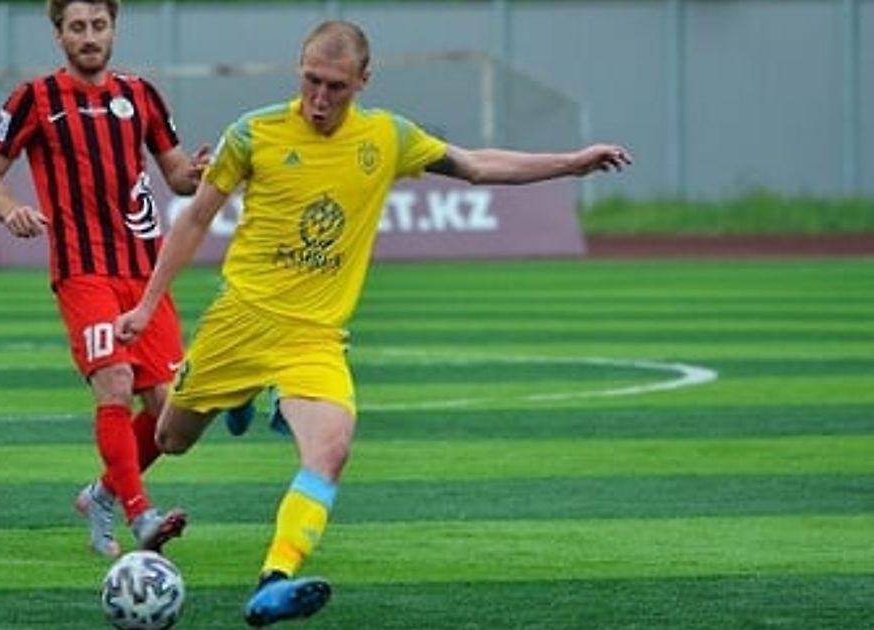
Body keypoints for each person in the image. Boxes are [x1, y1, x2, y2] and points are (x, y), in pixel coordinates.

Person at [115, 20, 633, 627]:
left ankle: (274, 580)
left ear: (363, 81)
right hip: (240, 322)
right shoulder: (253, 133)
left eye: (336, 86)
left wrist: (572, 163)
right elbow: (196, 218)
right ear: (299, 70)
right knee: (172, 440)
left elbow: (477, 165)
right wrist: (147, 305)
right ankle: (240, 398)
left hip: (314, 338)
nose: (320, 98)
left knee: (331, 450)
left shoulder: (387, 136)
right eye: (311, 81)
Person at [0, 0, 211, 558]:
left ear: (113, 30)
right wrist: (11, 211)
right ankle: (141, 515)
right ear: (59, 36)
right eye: (77, 27)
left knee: (170, 418)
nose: (89, 36)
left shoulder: (142, 95)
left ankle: (102, 494)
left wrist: (197, 173)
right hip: (83, 271)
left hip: (145, 273)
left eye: (98, 26)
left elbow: (176, 174)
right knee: (116, 382)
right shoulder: (34, 98)